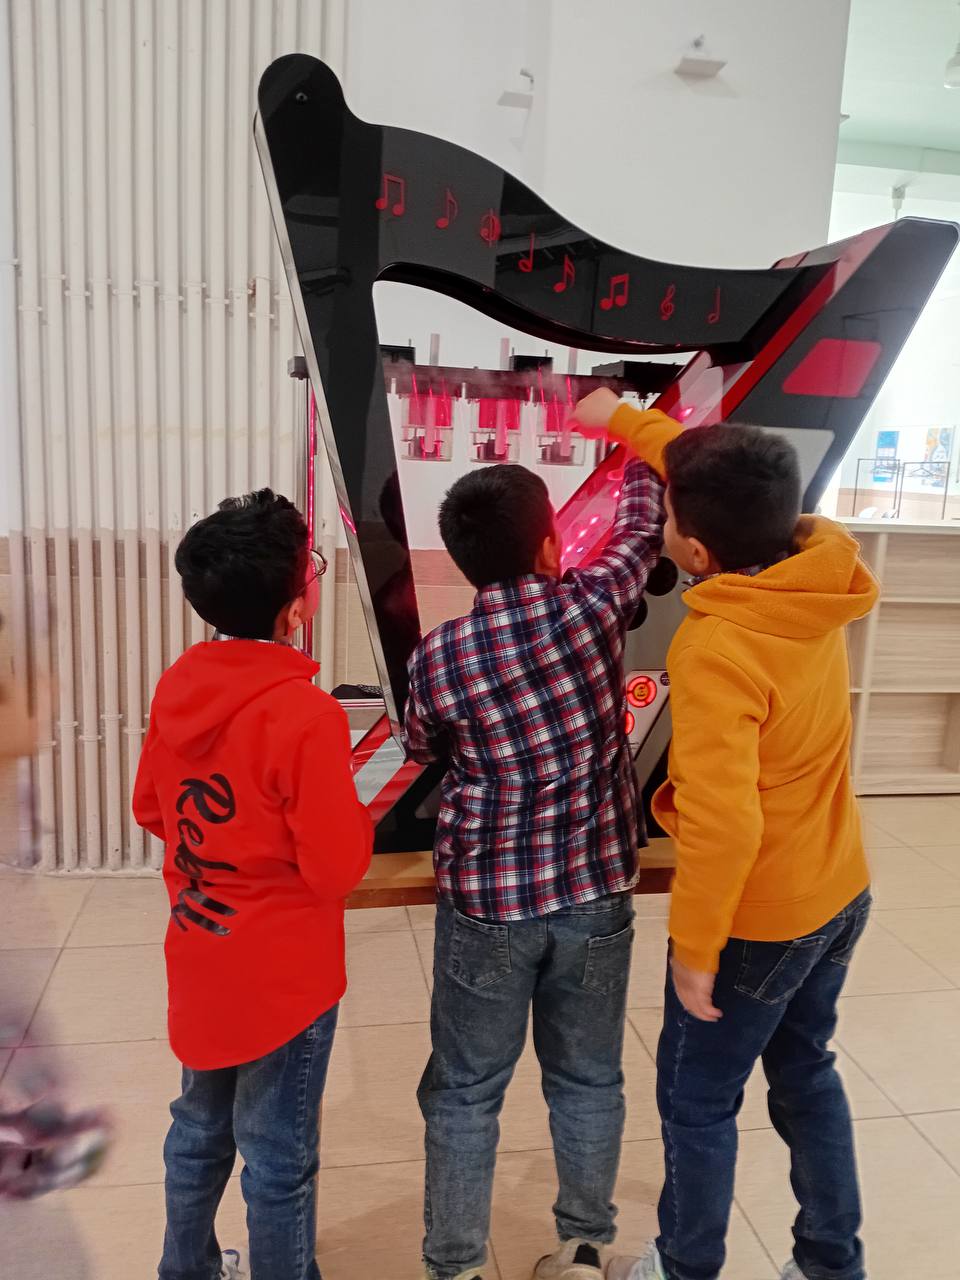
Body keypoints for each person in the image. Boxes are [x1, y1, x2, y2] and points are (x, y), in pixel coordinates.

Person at [571, 390, 877, 1280]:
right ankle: (832, 1265)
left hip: (758, 921)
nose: (662, 522)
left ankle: (685, 1266)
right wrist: (620, 418)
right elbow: (700, 464)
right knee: (807, 1074)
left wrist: (698, 947)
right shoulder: (812, 570)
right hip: (839, 889)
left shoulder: (716, 648)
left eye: (667, 516)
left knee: (697, 1100)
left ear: (695, 551)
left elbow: (723, 819)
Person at [403, 450, 666, 1280]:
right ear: (552, 545)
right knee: (587, 1078)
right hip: (595, 894)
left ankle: (455, 1265)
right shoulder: (592, 608)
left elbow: (423, 747)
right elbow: (640, 530)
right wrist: (640, 448)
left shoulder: (439, 655)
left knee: (465, 1089)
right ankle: (584, 1250)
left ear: (462, 560)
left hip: (487, 903)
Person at [133, 489, 373, 1280]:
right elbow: (337, 868)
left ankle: (186, 1269)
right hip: (285, 978)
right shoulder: (306, 715)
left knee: (198, 1129)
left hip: (199, 950)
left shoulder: (178, 686)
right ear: (295, 608)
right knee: (278, 1155)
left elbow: (150, 808)